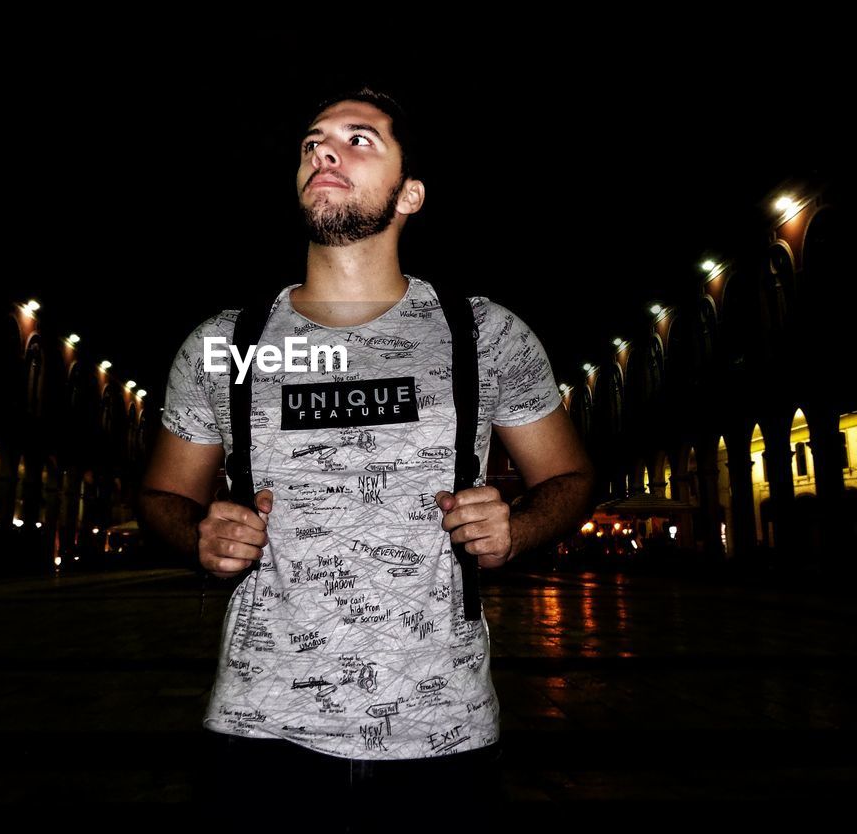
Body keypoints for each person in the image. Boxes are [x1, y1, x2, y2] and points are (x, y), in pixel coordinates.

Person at [139, 85, 595, 807]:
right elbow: (164, 495)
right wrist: (198, 531)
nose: (324, 150)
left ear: (410, 194)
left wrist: (520, 527)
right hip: (261, 730)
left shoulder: (483, 336)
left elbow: (569, 477)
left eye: (360, 140)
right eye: (313, 141)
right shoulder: (227, 345)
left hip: (442, 729)